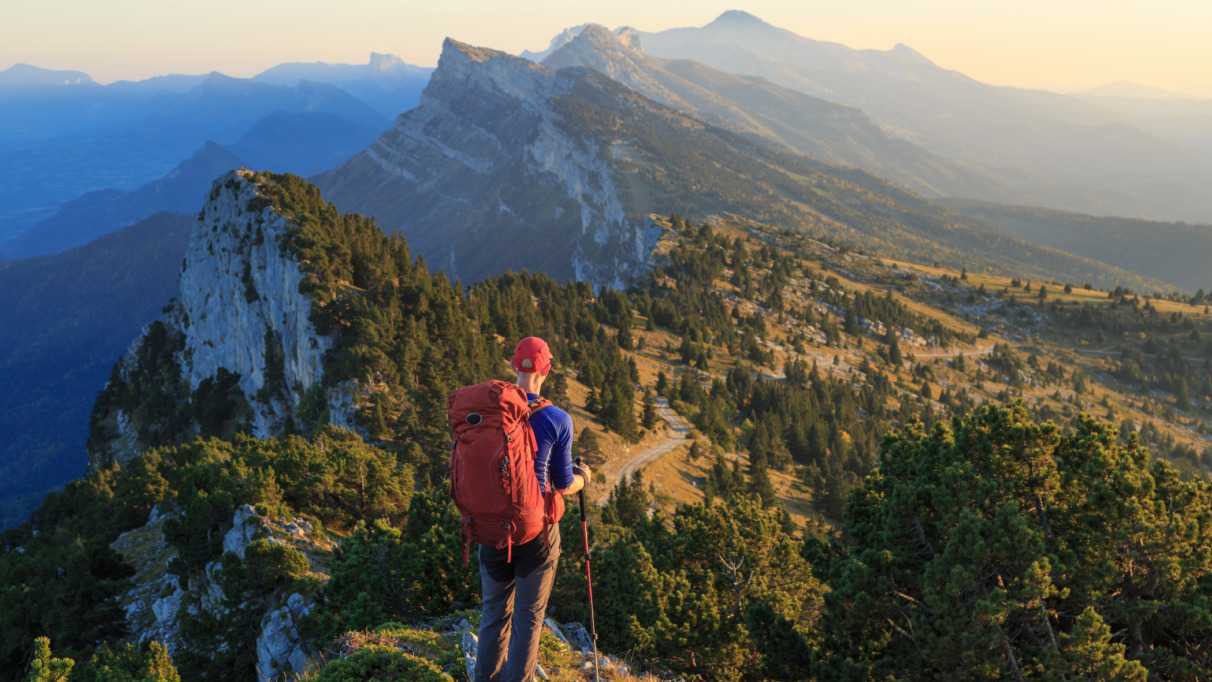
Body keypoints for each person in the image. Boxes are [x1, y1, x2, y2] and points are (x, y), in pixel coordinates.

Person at [476, 336, 590, 682]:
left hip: (492, 527)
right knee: (528, 616)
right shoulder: (557, 419)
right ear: (547, 369)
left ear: (514, 367)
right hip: (535, 532)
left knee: (494, 611)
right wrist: (584, 478)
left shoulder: (489, 410)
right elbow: (563, 483)